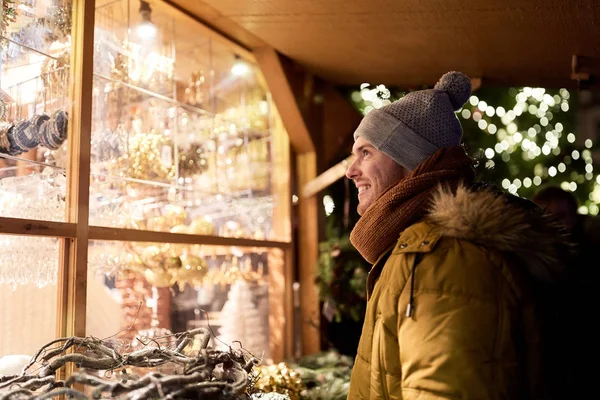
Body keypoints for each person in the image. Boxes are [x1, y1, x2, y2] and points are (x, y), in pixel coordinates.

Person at [345, 71, 570, 400]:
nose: (351, 170)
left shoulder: (442, 260)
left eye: (366, 152)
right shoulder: (415, 250)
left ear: (410, 160)